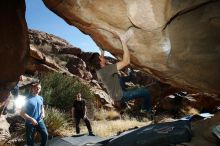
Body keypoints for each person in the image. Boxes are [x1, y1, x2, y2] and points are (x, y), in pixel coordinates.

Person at [96, 29, 152, 114]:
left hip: (118, 92)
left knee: (121, 79)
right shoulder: (106, 71)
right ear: (101, 63)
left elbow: (102, 62)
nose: (102, 58)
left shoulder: (102, 72)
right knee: (145, 92)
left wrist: (102, 52)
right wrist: (123, 41)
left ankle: (131, 75)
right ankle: (145, 109)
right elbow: (126, 61)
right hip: (121, 95)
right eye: (100, 59)